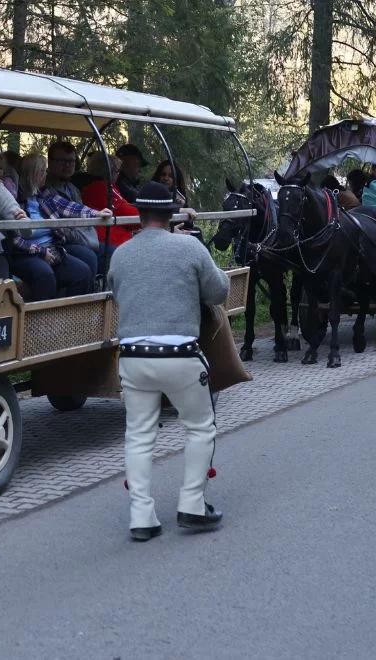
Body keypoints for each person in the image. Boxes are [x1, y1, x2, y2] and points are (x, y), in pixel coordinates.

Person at [106, 181, 229, 542]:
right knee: (199, 427)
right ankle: (191, 504)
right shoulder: (188, 247)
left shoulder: (121, 254)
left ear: (140, 214)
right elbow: (219, 290)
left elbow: (118, 293)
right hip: (181, 357)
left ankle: (141, 516)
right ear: (172, 214)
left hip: (133, 358)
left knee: (139, 435)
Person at [7, 153, 98, 300]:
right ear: (33, 174)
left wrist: (97, 214)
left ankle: (68, 317)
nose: (46, 175)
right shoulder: (14, 199)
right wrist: (41, 251)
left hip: (52, 248)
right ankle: (41, 320)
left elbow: (69, 207)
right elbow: (13, 239)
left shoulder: (45, 195)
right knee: (45, 275)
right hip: (25, 253)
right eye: (43, 171)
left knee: (83, 273)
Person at [80, 152, 140, 251]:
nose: (118, 175)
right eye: (117, 171)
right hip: (112, 241)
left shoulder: (91, 186)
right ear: (108, 171)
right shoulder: (103, 188)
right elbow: (132, 215)